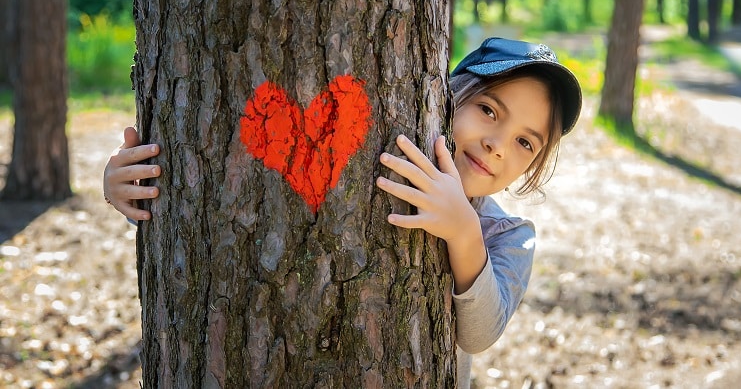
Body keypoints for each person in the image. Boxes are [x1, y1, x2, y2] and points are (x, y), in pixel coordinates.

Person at [102, 37, 582, 388]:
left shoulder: (508, 235)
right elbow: (218, 216)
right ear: (450, 93)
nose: (498, 146)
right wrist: (129, 190)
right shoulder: (389, 158)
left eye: (525, 142)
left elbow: (478, 336)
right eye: (490, 111)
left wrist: (464, 232)